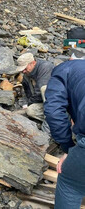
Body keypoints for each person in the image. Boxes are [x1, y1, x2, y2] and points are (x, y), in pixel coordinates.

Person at [44, 59, 85, 208]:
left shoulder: (61, 71)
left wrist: (68, 148)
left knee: (70, 184)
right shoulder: (80, 72)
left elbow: (53, 112)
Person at [16, 52, 53, 121]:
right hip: (42, 102)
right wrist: (26, 104)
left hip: (54, 102)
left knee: (43, 89)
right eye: (22, 70)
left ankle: (55, 121)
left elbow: (39, 91)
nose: (23, 71)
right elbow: (27, 94)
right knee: (30, 111)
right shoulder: (26, 75)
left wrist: (29, 103)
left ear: (33, 63)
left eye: (25, 68)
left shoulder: (45, 67)